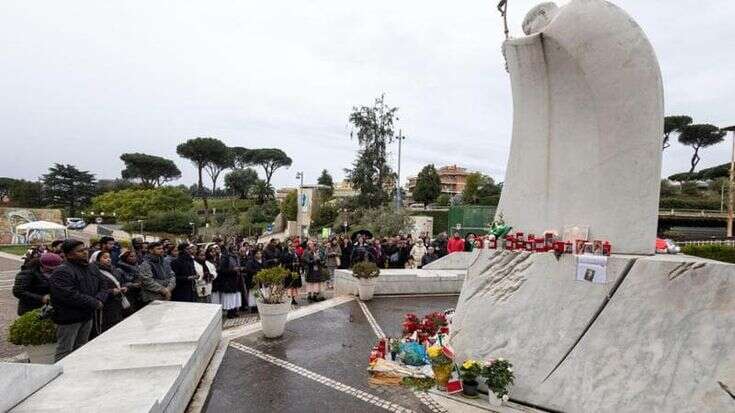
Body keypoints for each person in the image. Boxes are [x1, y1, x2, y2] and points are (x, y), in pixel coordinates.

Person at [49, 240, 107, 361]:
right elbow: (69, 295)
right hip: (69, 318)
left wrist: (99, 299)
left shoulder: (92, 267)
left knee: (82, 348)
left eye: (85, 249)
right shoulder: (62, 271)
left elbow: (103, 284)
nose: (85, 252)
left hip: (87, 315)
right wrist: (94, 303)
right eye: (80, 251)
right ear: (69, 254)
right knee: (65, 350)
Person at [90, 251, 127, 333]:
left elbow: (119, 281)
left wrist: (124, 287)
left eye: (109, 257)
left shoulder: (112, 269)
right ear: (96, 259)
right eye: (105, 257)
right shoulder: (94, 272)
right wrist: (111, 291)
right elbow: (94, 289)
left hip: (116, 303)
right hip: (105, 306)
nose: (109, 259)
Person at [213, 245, 243, 318]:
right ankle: (230, 312)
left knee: (236, 296)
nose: (235, 251)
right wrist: (233, 270)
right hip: (228, 281)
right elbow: (221, 270)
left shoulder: (237, 257)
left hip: (237, 279)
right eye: (233, 249)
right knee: (230, 297)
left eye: (236, 249)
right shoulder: (225, 258)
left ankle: (235, 310)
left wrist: (240, 269)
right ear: (229, 250)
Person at [116, 249, 142, 313]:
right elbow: (120, 284)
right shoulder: (119, 269)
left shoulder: (137, 266)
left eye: (135, 256)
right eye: (131, 256)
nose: (134, 258)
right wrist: (132, 285)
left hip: (138, 294)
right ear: (125, 258)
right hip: (128, 295)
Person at [281, 239, 302, 306]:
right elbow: (284, 263)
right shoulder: (285, 254)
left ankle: (293, 298)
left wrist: (298, 264)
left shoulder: (295, 253)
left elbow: (299, 260)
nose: (292, 247)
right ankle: (289, 298)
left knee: (294, 285)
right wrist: (291, 264)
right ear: (287, 246)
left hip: (295, 271)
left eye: (293, 246)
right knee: (289, 285)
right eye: (290, 246)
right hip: (289, 271)